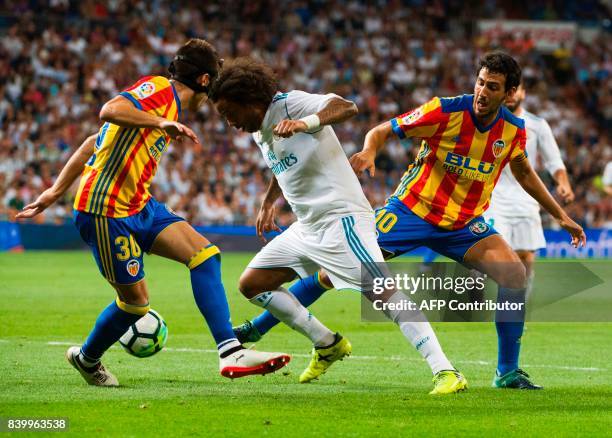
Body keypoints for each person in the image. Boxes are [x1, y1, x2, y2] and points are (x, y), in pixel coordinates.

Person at [234, 51, 586, 390]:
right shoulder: (445, 111)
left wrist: (561, 215)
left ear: (509, 93)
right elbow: (382, 130)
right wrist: (370, 150)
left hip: (463, 224)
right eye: (480, 82)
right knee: (332, 273)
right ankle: (258, 328)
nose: (482, 91)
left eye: (493, 86)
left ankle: (506, 372)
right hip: (411, 211)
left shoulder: (513, 130)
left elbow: (525, 173)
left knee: (514, 274)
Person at [16, 39, 290, 387]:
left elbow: (95, 140)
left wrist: (54, 190)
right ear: (205, 80)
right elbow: (109, 111)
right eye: (216, 76)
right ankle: (87, 359)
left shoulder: (169, 107)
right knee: (135, 305)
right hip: (105, 210)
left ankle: (230, 351)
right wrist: (160, 123)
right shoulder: (160, 91)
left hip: (140, 204)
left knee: (205, 256)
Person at [209, 57, 467, 395]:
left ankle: (446, 370)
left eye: (230, 113)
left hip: (342, 219)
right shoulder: (259, 128)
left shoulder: (291, 104)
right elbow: (282, 164)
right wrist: (268, 200)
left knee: (384, 294)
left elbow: (346, 107)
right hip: (307, 226)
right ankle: (326, 343)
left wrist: (305, 123)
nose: (229, 122)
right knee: (253, 284)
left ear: (251, 101)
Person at [485, 82, 574, 297]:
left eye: (518, 90)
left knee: (526, 259)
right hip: (493, 197)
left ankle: (516, 311)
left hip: (526, 199)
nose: (513, 96)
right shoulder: (486, 121)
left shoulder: (537, 125)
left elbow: (554, 161)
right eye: (509, 91)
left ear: (524, 94)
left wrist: (564, 184)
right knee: (498, 257)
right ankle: (494, 299)